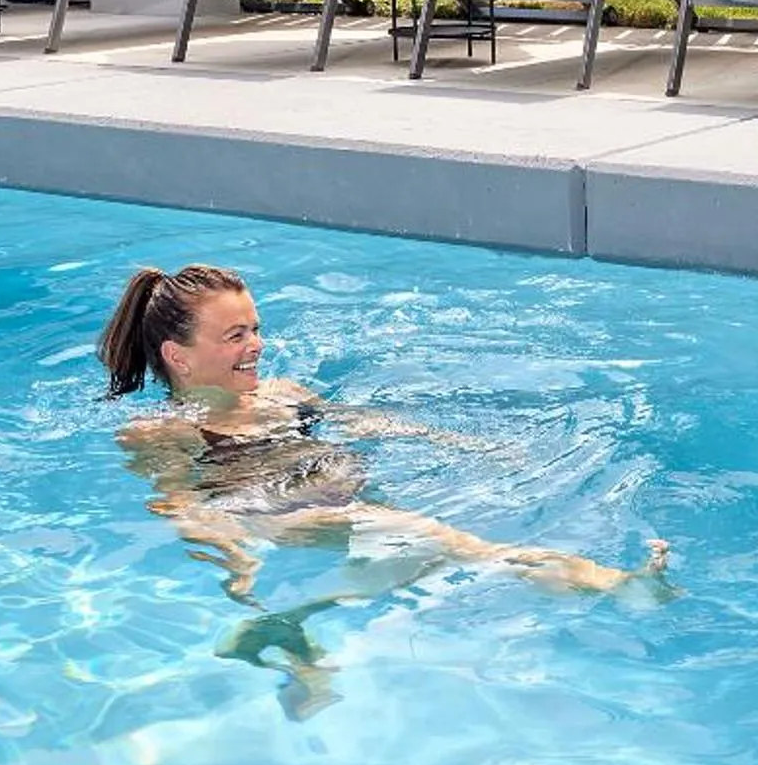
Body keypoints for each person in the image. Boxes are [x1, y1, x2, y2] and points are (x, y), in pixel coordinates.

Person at [97, 263, 667, 707]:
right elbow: (178, 503)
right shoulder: (163, 432)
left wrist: (462, 443)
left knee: (420, 556)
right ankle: (615, 584)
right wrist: (232, 556)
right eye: (235, 334)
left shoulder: (283, 394)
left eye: (257, 329)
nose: (257, 344)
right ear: (180, 356)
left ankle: (288, 639)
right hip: (287, 520)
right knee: (461, 546)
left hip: (347, 501)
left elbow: (365, 422)